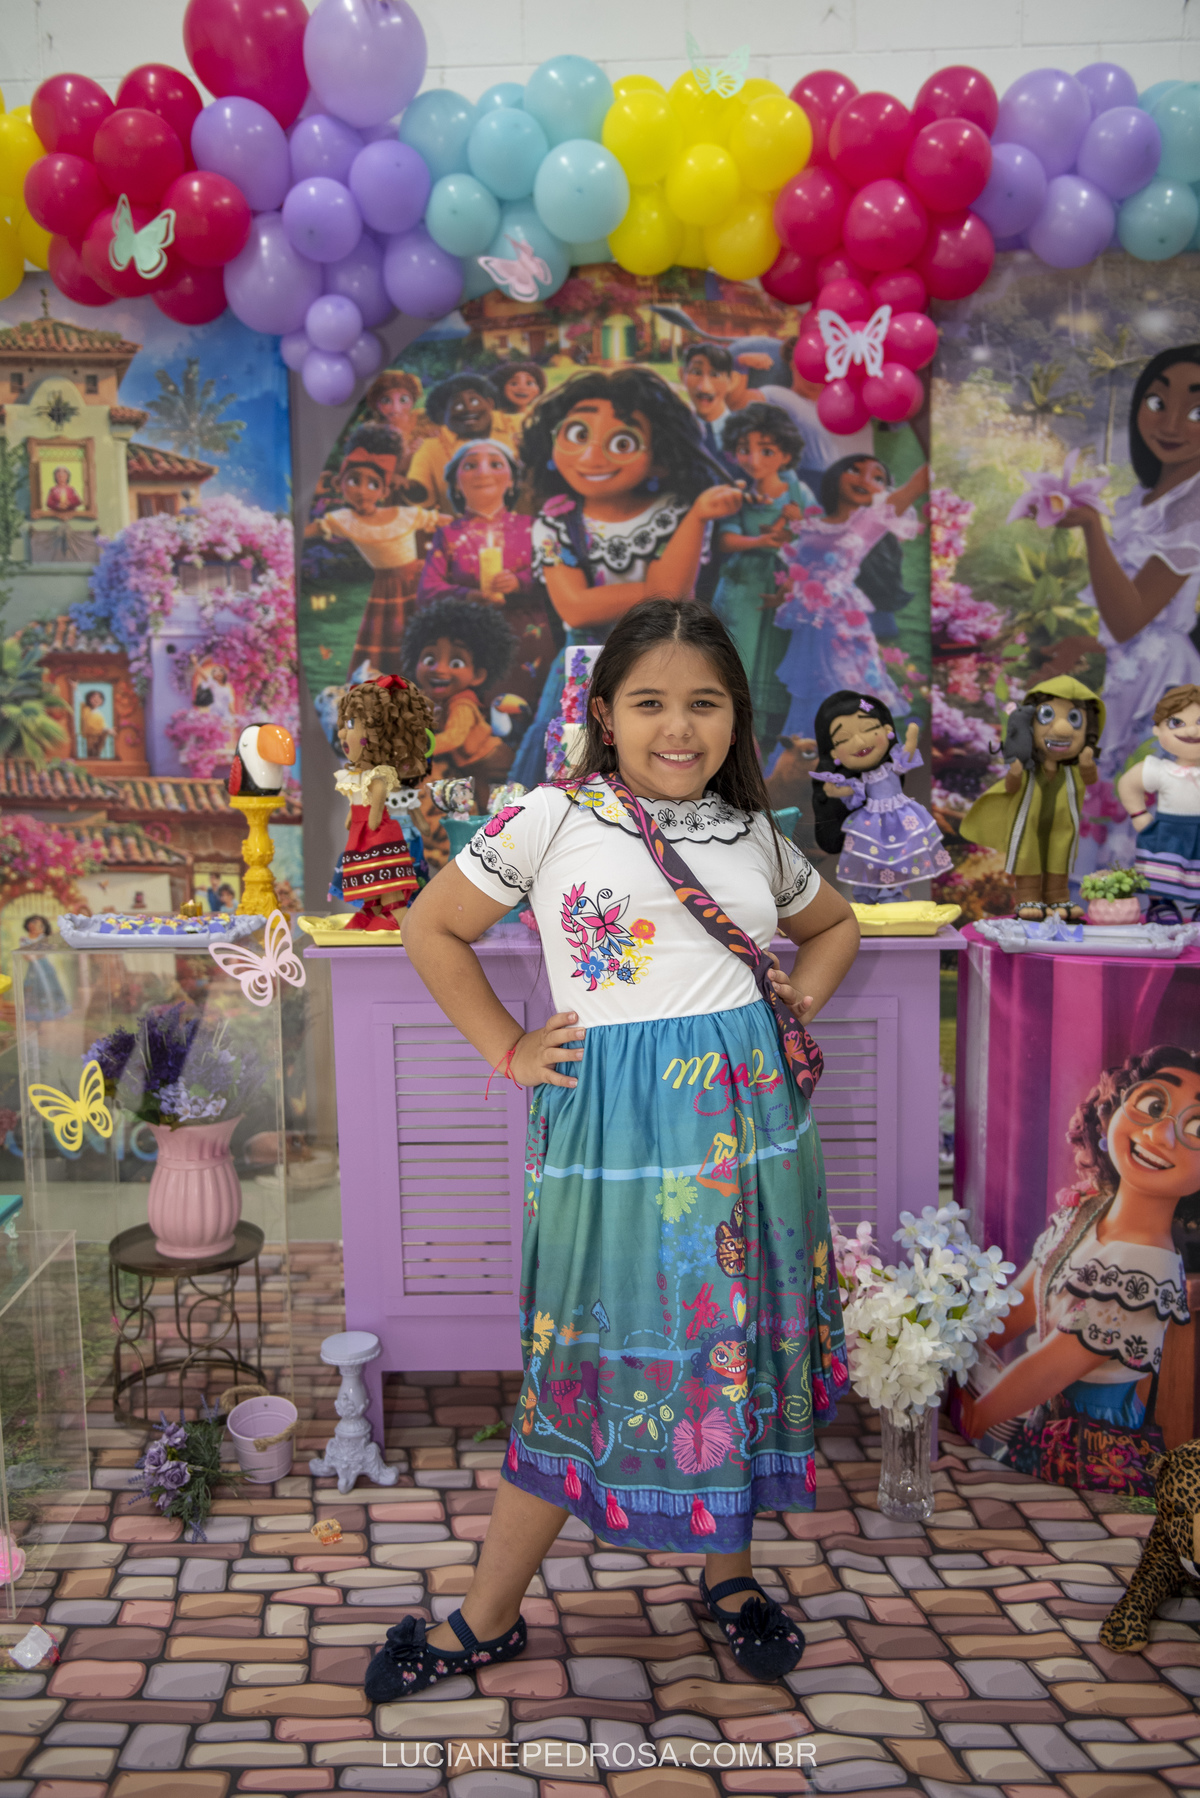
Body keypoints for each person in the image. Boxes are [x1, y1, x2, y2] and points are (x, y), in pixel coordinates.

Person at [371, 599, 857, 1703]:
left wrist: (797, 1003)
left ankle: (729, 1577)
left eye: (704, 704)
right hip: (617, 1139)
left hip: (751, 1133)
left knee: (733, 1343)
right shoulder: (550, 816)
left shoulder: (753, 834)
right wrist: (506, 1048)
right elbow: (430, 927)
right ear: (604, 713)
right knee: (586, 1359)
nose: (678, 727)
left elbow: (833, 926)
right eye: (650, 703)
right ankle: (489, 1615)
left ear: (735, 718)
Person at [959, 1045, 1198, 1496]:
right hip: (1039, 1429)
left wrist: (970, 1415)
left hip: (1092, 1456)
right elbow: (1019, 1303)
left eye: (1196, 1128)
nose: (1161, 1135)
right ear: (1115, 1109)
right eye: (1153, 1106)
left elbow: (1045, 1372)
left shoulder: (1147, 1268)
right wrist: (951, 1349)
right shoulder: (1088, 1209)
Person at [510, 367, 742, 785]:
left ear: (660, 456)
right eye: (577, 435)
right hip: (583, 674)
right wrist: (653, 589)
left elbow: (672, 594)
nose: (593, 456)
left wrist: (696, 519)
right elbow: (577, 608)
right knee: (574, 768)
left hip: (662, 668)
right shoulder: (556, 521)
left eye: (622, 442)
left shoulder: (676, 512)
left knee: (663, 760)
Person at [769, 455, 928, 745]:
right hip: (809, 624)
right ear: (835, 475)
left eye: (877, 477)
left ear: (883, 491)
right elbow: (799, 569)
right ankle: (809, 755)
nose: (864, 479)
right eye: (855, 470)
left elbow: (917, 484)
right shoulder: (811, 525)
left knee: (843, 685)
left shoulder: (870, 521)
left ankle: (850, 754)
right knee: (812, 689)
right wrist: (780, 596)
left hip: (843, 622)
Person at [416, 438, 556, 710]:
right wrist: (467, 595)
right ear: (456, 484)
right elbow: (427, 591)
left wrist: (520, 582)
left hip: (528, 637)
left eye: (495, 464)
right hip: (469, 642)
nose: (483, 472)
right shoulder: (448, 534)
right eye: (470, 465)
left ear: (512, 480)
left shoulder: (535, 527)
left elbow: (557, 575)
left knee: (528, 709)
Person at [712, 403, 816, 754]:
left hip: (785, 586)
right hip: (743, 586)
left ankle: (770, 738)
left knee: (776, 656)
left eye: (766, 451)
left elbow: (814, 538)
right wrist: (760, 541)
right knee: (739, 650)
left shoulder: (798, 492)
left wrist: (797, 524)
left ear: (785, 455)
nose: (754, 459)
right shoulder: (737, 493)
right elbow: (725, 540)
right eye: (745, 449)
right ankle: (737, 730)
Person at [307, 428, 448, 678]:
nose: (363, 491)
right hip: (387, 589)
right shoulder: (343, 520)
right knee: (390, 641)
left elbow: (445, 521)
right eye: (354, 481)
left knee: (428, 637)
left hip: (419, 582)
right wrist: (313, 493)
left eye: (373, 484)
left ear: (384, 491)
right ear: (340, 485)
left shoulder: (404, 515)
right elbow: (303, 532)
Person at [960, 677, 1103, 920]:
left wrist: (1087, 763)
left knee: (1059, 854)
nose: (1063, 729)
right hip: (1030, 824)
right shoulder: (1029, 768)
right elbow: (1012, 787)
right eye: (1047, 716)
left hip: (1060, 825)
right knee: (1028, 854)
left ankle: (1058, 898)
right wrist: (1015, 772)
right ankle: (1028, 898)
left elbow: (1089, 779)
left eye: (1074, 719)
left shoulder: (1071, 771)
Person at [810, 691, 950, 901]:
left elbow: (907, 755)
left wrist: (911, 738)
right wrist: (832, 791)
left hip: (900, 818)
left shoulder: (891, 767)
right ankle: (868, 893)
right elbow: (852, 790)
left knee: (898, 858)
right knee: (870, 859)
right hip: (870, 823)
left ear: (887, 730)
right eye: (843, 739)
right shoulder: (862, 780)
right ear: (834, 753)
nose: (859, 741)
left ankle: (896, 893)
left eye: (868, 729)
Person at [334, 675, 435, 932]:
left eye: (352, 724)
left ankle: (396, 911)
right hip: (361, 833)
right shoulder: (355, 776)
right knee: (367, 874)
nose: (343, 733)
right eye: (344, 724)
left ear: (377, 733)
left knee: (386, 874)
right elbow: (355, 802)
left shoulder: (378, 777)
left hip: (377, 834)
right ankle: (372, 908)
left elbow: (376, 809)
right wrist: (352, 820)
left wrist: (370, 823)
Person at [402, 595, 515, 804]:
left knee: (488, 803)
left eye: (456, 663)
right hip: (469, 764)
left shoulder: (462, 705)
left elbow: (454, 738)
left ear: (478, 675)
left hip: (489, 762)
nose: (439, 669)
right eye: (429, 659)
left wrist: (419, 748)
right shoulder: (435, 699)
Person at [1119, 684, 1200, 921]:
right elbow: (1128, 784)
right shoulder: (1160, 770)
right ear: (1157, 729)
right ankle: (1161, 903)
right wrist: (1138, 814)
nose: (1192, 731)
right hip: (1168, 832)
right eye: (1176, 722)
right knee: (1162, 868)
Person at [407, 372, 501, 511]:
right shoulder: (429, 448)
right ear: (441, 415)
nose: (469, 408)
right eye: (457, 406)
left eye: (475, 401)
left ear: (490, 403)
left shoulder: (514, 430)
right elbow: (422, 497)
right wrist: (405, 485)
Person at [678, 343, 739, 477]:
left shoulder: (745, 431)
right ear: (682, 375)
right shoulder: (677, 432)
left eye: (715, 374)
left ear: (731, 381)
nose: (704, 387)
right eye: (696, 372)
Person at [20, 915, 69, 1022]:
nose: (36, 926)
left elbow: (50, 947)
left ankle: (53, 1012)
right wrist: (37, 954)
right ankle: (37, 1017)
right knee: (34, 990)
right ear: (29, 925)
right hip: (33, 970)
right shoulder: (24, 940)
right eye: (34, 923)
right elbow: (26, 957)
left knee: (49, 987)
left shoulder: (43, 938)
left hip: (45, 967)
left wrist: (36, 954)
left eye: (40, 925)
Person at [492, 360, 547, 447]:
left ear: (539, 388)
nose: (522, 388)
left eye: (529, 383)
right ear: (501, 387)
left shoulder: (539, 418)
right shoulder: (493, 418)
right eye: (514, 383)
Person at [78, 689, 112, 759]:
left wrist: (108, 730)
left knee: (96, 753)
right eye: (93, 698)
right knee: (90, 752)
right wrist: (75, 689)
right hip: (89, 737)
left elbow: (103, 725)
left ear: (102, 701)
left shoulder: (99, 714)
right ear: (89, 699)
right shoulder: (86, 709)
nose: (96, 700)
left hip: (97, 737)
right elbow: (79, 699)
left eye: (99, 698)